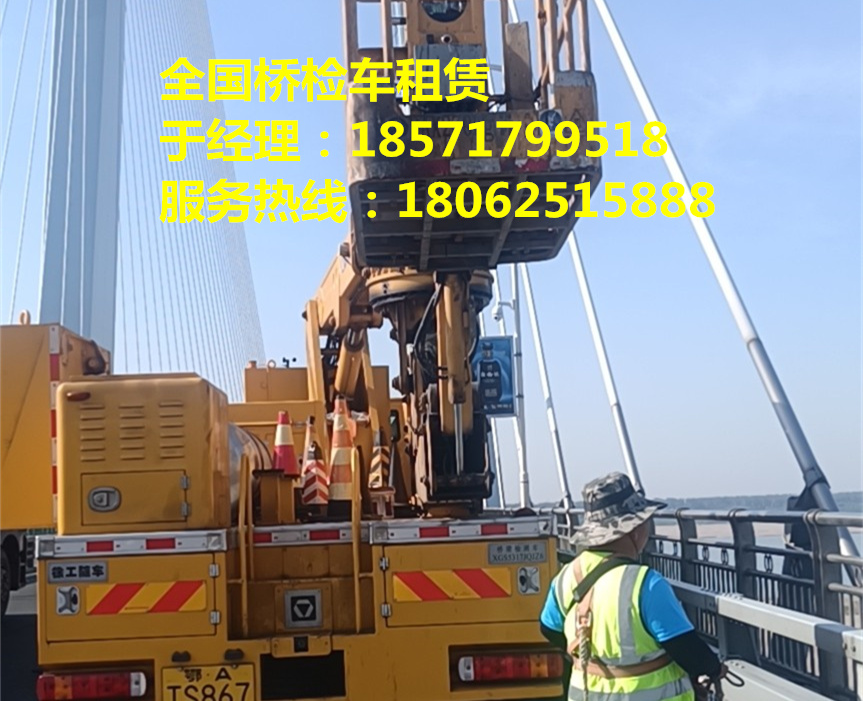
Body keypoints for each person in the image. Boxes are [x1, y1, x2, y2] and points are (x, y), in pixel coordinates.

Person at [540, 472, 726, 701]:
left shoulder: (566, 576)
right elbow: (688, 650)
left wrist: (591, 657)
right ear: (634, 531)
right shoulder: (646, 584)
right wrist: (715, 668)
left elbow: (548, 628)